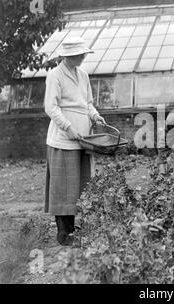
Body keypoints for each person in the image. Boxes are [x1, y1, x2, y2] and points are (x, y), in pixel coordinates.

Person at [44, 37, 106, 246]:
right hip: (63, 139)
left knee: (79, 183)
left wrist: (95, 116)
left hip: (84, 138)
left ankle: (72, 228)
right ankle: (63, 233)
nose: (82, 58)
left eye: (83, 54)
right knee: (63, 185)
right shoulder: (55, 76)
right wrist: (68, 127)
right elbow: (51, 108)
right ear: (67, 56)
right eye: (79, 55)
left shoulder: (83, 75)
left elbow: (87, 103)